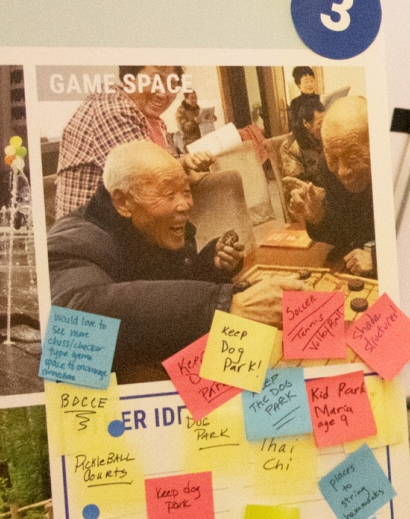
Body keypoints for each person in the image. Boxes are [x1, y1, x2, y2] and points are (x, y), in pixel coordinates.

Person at [48, 142, 296, 374]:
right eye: (168, 195)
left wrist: (210, 266)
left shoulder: (153, 226)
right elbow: (73, 319)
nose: (185, 205)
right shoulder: (74, 240)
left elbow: (163, 291)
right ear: (123, 202)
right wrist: (225, 305)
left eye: (186, 192)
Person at [53, 64, 202, 218]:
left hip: (117, 223)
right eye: (155, 80)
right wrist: (184, 165)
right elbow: (150, 177)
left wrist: (186, 161)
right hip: (89, 232)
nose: (163, 93)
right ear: (129, 78)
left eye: (172, 85)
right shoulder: (112, 109)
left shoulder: (148, 117)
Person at [286, 96, 376, 276]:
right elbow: (345, 232)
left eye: (352, 157)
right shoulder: (326, 168)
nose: (342, 171)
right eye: (333, 158)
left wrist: (378, 258)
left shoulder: (398, 163)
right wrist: (319, 218)